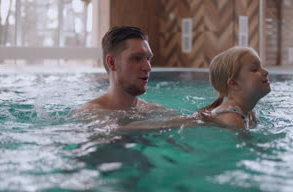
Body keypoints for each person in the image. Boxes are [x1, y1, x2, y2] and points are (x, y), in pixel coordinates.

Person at [119, 47, 270, 131]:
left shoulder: (248, 114)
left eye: (261, 67)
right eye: (255, 69)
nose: (265, 72)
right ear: (234, 84)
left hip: (190, 122)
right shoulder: (232, 118)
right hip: (150, 128)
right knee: (129, 130)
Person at [79, 26, 166, 113]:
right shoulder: (91, 111)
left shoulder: (151, 109)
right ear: (112, 62)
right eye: (137, 58)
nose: (148, 68)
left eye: (148, 58)